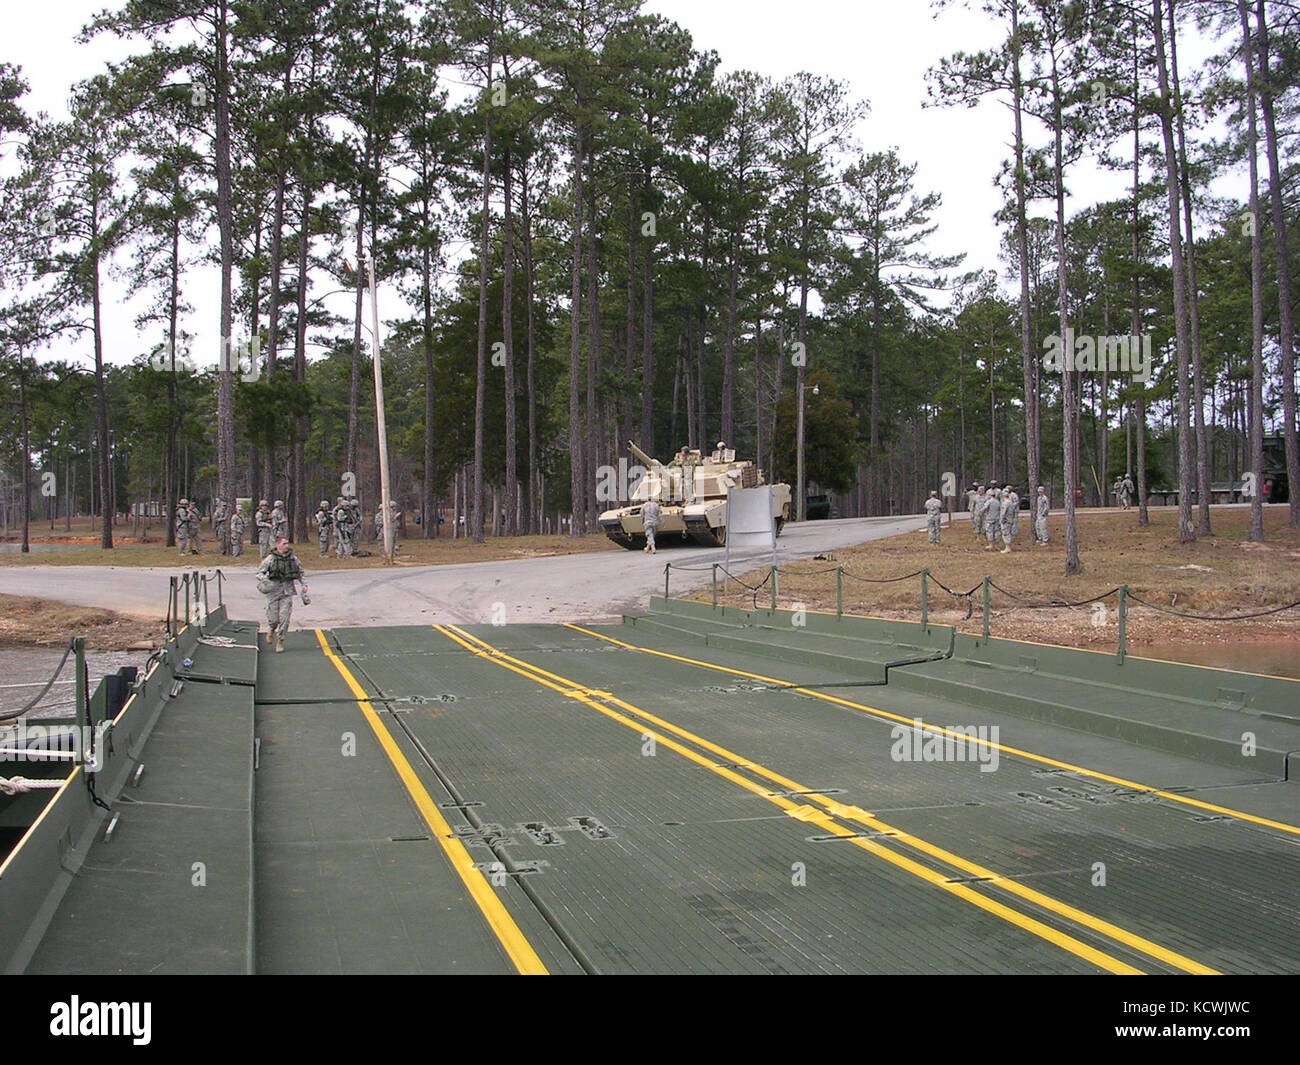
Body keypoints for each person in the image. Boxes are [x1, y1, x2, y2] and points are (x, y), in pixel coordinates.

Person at [256, 535, 308, 654]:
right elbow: (259, 573)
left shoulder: (293, 559)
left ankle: (280, 640)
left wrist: (304, 585)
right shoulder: (270, 559)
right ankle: (271, 629)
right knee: (273, 619)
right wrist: (266, 581)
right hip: (273, 591)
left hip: (287, 591)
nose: (286, 546)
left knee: (284, 618)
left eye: (287, 543)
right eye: (284, 544)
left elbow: (301, 572)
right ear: (277, 545)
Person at [984, 481, 1001, 550]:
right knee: (990, 530)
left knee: (995, 530)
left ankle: (996, 544)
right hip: (990, 512)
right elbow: (985, 500)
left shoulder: (999, 491)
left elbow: (1002, 500)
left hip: (996, 513)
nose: (992, 485)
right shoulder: (988, 491)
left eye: (994, 484)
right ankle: (991, 544)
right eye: (991, 484)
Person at [1000, 488, 1017, 553]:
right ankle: (1007, 547)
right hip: (1010, 520)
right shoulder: (1011, 502)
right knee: (1008, 533)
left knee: (1005, 533)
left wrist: (1002, 519)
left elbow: (1003, 512)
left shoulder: (1006, 503)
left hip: (1006, 520)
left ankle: (1007, 548)